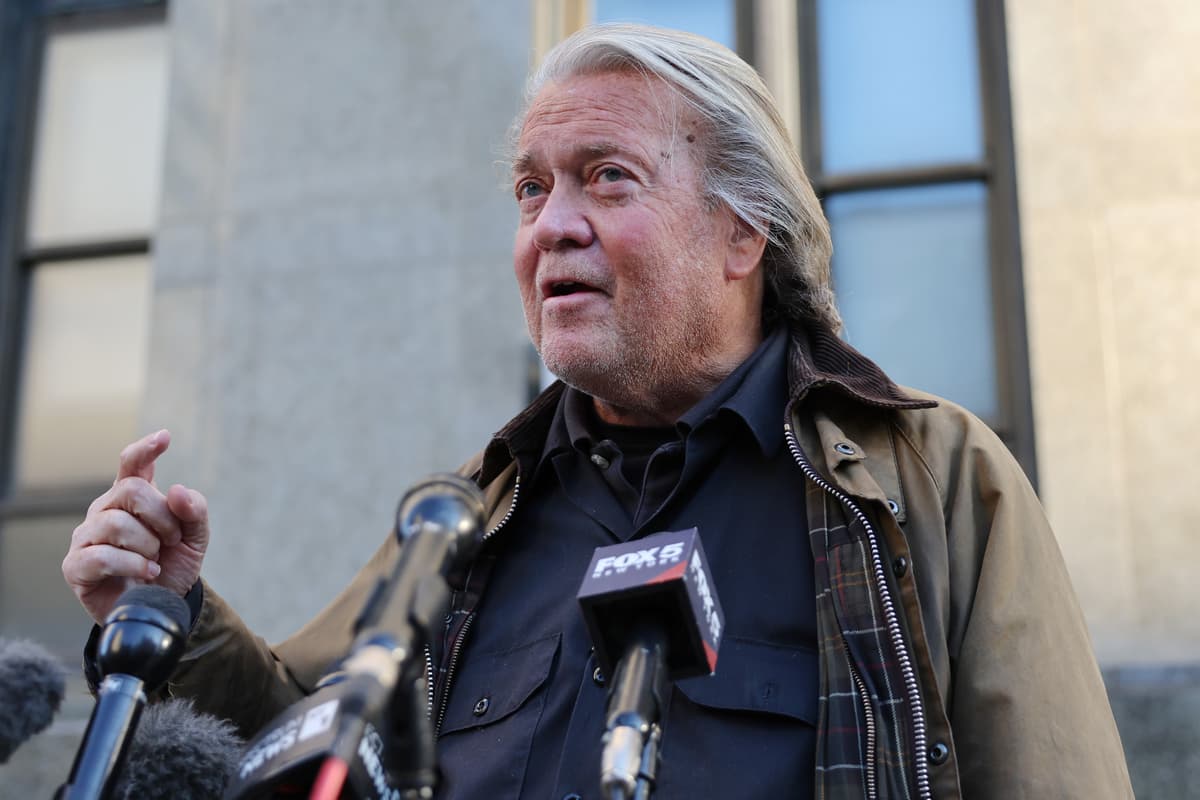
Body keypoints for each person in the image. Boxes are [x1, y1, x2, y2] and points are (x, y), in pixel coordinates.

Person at [62, 23, 1133, 799]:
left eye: (606, 178)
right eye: (532, 189)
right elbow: (305, 741)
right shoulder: (471, 517)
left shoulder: (928, 478)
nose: (552, 228)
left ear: (741, 233)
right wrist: (175, 612)